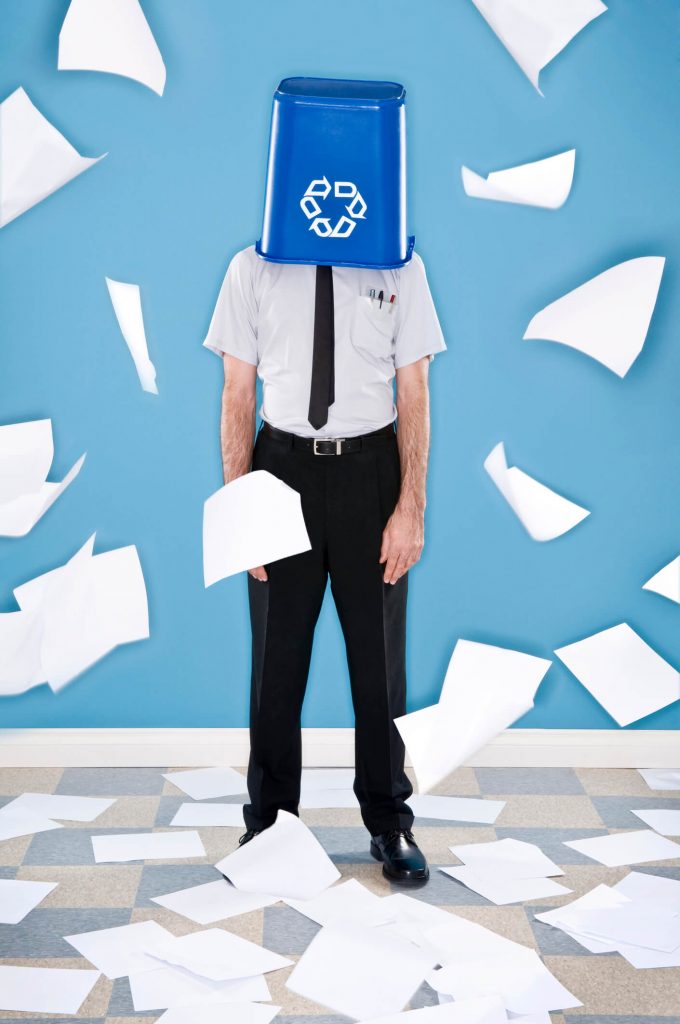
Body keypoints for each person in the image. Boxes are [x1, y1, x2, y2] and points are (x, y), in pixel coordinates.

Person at [203, 78, 446, 885]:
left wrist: (410, 505)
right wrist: (242, 508)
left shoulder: (399, 267)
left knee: (379, 666)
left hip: (370, 471)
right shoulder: (252, 269)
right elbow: (238, 392)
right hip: (282, 471)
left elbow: (414, 391)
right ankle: (269, 825)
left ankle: (390, 823)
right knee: (277, 661)